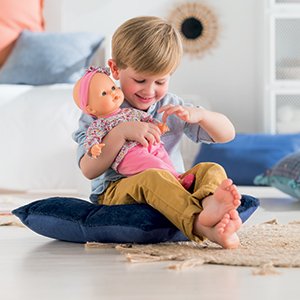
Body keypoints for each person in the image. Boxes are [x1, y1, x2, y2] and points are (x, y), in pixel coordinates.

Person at [73, 16, 242, 249]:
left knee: (211, 169)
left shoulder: (171, 106)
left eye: (160, 81)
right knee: (154, 176)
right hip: (118, 191)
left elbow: (227, 134)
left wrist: (201, 115)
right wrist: (120, 133)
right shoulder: (98, 110)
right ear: (115, 69)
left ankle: (211, 204)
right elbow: (88, 170)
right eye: (140, 80)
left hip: (177, 182)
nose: (149, 90)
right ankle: (202, 226)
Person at [73, 66, 195, 189]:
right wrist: (94, 147)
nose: (113, 93)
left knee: (163, 157)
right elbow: (92, 138)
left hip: (149, 146)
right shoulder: (98, 124)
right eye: (104, 93)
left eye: (113, 88)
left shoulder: (128, 111)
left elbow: (145, 119)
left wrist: (158, 126)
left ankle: (178, 179)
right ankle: (175, 183)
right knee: (153, 166)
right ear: (90, 109)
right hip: (128, 155)